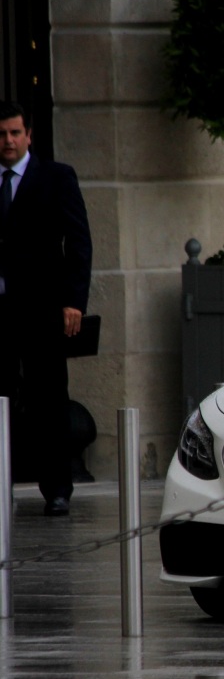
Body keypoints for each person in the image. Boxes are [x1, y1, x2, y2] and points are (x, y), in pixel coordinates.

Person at [0, 101, 93, 515]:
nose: (8, 141)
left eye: (15, 133)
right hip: (1, 312)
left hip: (42, 310)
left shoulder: (56, 178)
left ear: (29, 135)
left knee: (49, 398)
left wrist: (74, 300)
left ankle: (57, 489)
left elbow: (78, 242)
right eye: (2, 134)